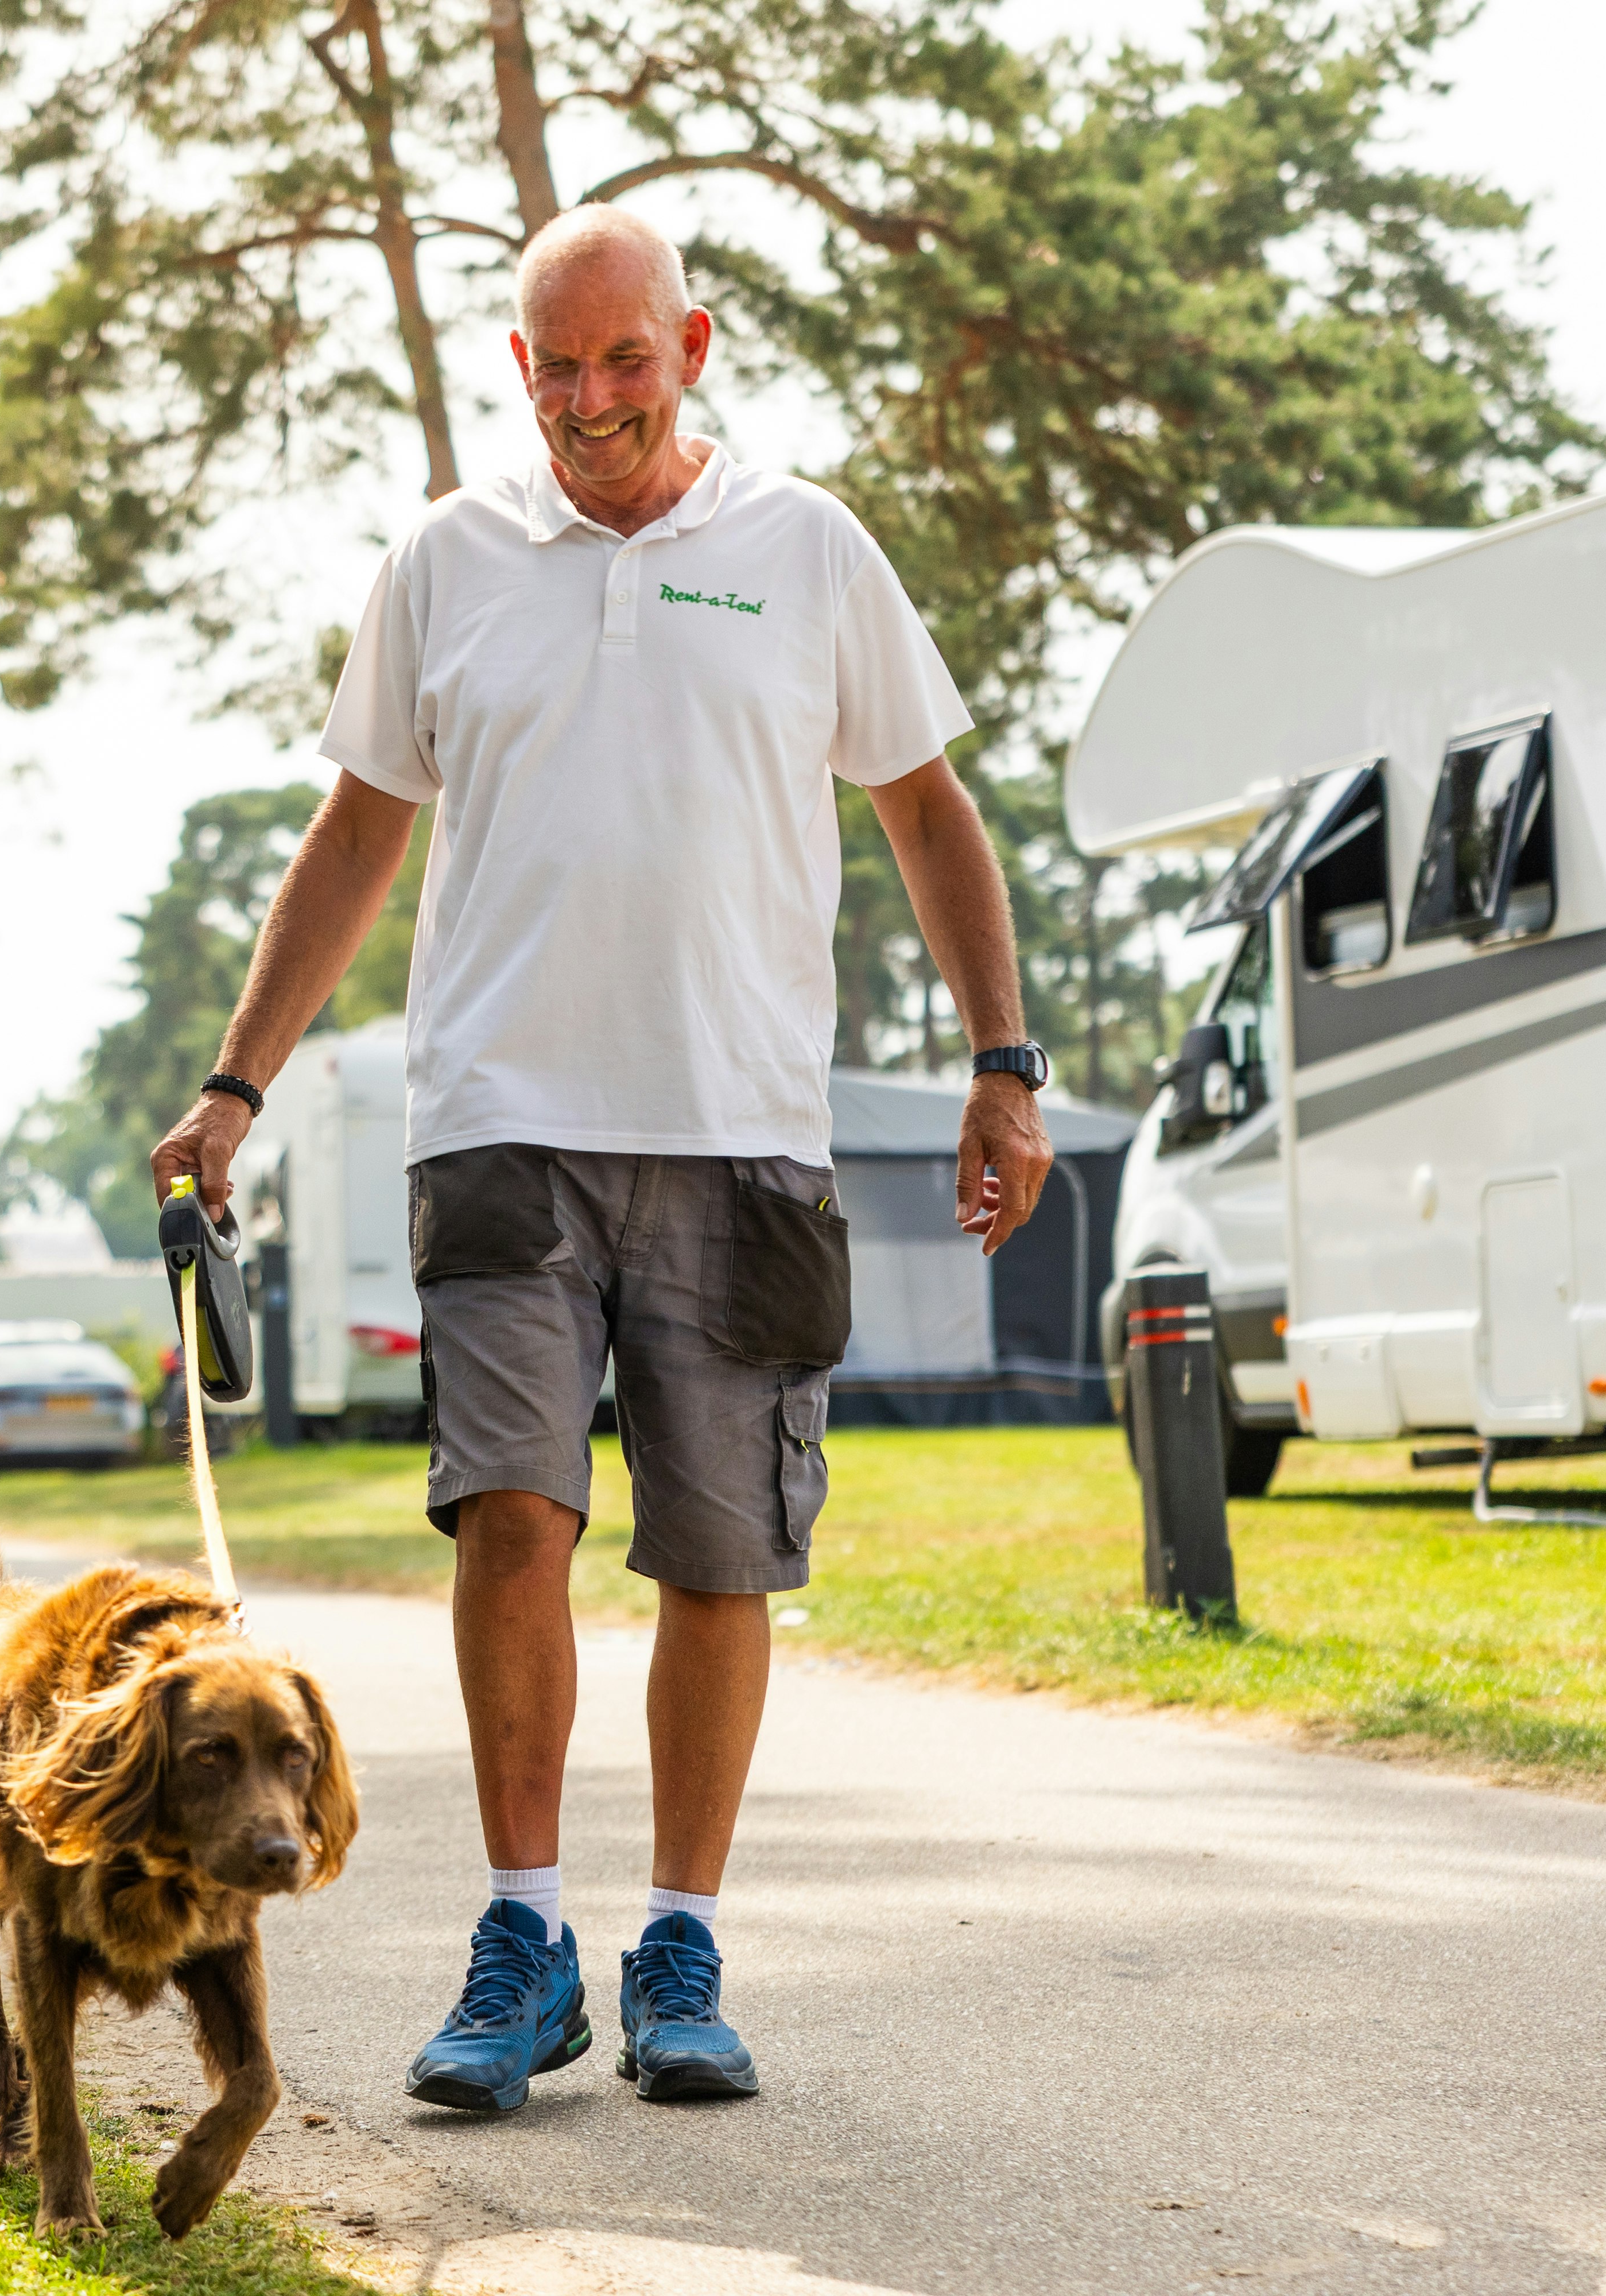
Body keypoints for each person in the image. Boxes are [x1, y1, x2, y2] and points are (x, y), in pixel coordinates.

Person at [148, 205, 1053, 2117]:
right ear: (516, 369)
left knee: (723, 1554)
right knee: (512, 1513)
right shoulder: (448, 561)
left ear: (693, 345)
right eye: (553, 370)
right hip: (500, 1124)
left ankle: (683, 1945)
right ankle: (523, 1933)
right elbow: (356, 841)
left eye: (622, 361)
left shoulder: (806, 552)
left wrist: (1004, 1065)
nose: (588, 403)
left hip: (741, 1132)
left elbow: (928, 809)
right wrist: (235, 1091)